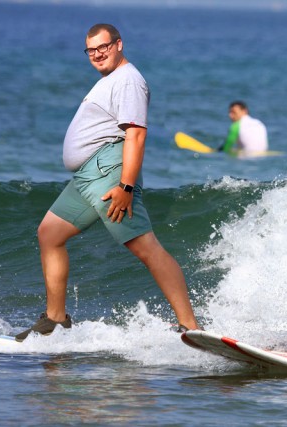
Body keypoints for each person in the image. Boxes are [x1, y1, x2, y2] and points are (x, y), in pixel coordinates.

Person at [16, 23, 200, 341]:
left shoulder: (128, 80)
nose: (98, 54)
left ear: (118, 45)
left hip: (108, 175)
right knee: (49, 234)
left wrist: (126, 187)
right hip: (88, 176)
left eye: (104, 47)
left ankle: (191, 326)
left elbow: (137, 135)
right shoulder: (111, 80)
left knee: (146, 247)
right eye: (91, 50)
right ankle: (56, 319)